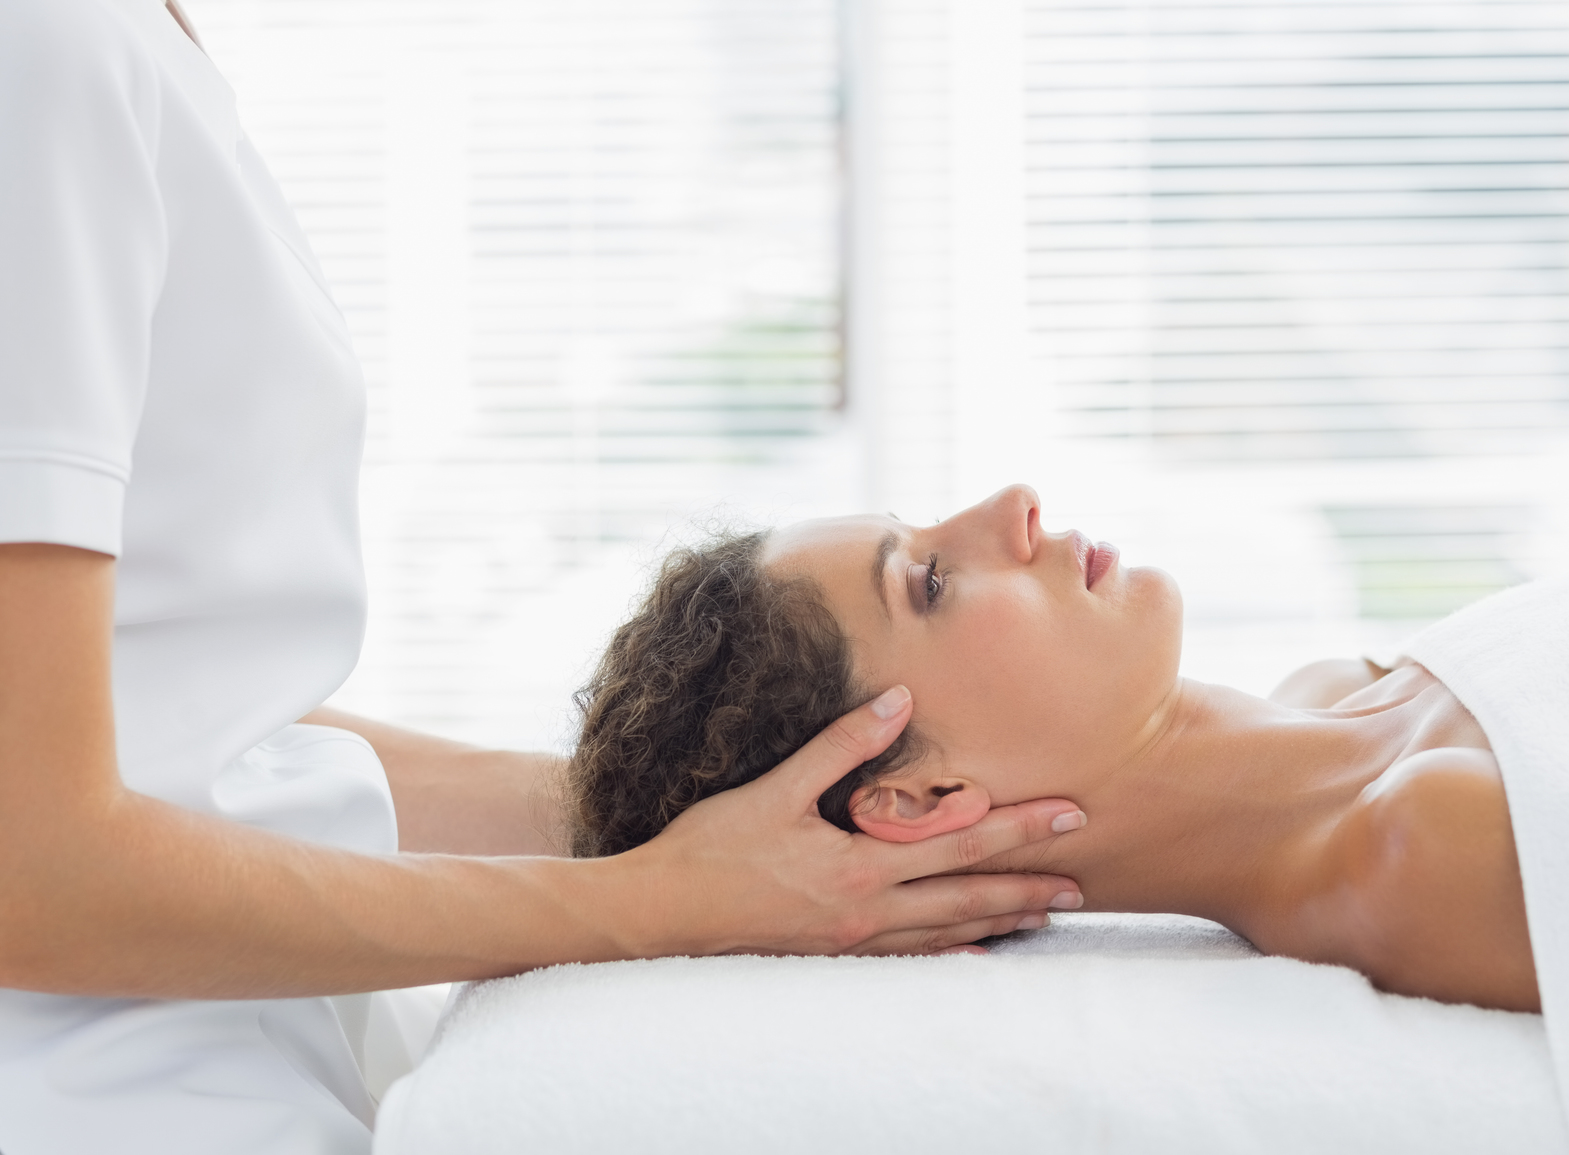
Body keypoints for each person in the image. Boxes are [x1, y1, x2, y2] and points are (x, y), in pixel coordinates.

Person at [0, 3, 1084, 1152]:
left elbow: (172, 710)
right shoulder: (49, 55)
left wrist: (697, 814)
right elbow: (34, 864)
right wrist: (668, 902)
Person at [566, 483, 1543, 1013]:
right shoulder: (1426, 850)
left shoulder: (1343, 690)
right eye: (931, 580)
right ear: (919, 798)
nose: (1013, 504)